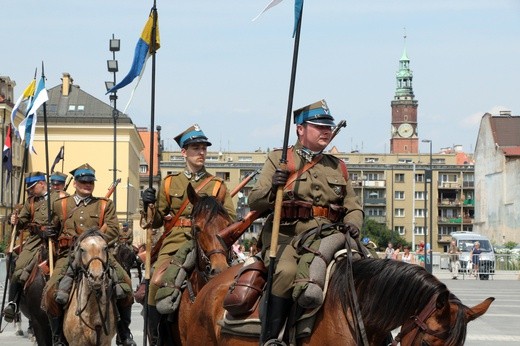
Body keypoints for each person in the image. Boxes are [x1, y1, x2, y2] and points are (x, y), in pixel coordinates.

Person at [248, 100, 364, 345]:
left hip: (330, 236)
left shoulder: (337, 166)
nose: (326, 131)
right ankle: (271, 338)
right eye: (319, 126)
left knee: (368, 272)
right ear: (300, 129)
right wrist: (275, 186)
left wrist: (353, 223)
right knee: (286, 272)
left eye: (328, 127)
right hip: (289, 237)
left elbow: (353, 205)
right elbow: (254, 200)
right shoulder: (280, 159)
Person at [141, 124, 236, 345]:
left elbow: (230, 219)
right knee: (156, 281)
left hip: (209, 243)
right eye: (195, 148)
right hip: (176, 243)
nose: (201, 152)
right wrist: (148, 205)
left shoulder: (217, 185)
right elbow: (154, 222)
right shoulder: (169, 183)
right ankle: (157, 336)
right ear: (184, 152)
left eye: (203, 148)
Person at [42, 163, 136, 346]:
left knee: (125, 286)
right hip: (68, 255)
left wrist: (94, 241)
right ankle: (57, 336)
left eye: (90, 182)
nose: (87, 185)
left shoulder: (104, 205)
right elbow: (53, 227)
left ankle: (124, 333)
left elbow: (114, 230)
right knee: (51, 291)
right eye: (83, 181)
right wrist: (48, 232)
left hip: (98, 254)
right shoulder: (60, 204)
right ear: (75, 183)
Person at [3, 172, 67, 323]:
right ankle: (13, 303)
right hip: (36, 240)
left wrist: (56, 228)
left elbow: (70, 217)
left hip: (58, 239)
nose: (30, 191)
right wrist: (15, 220)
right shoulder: (31, 202)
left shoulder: (61, 197)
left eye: (32, 187)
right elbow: (23, 221)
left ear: (42, 184)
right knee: (19, 265)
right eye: (29, 189)